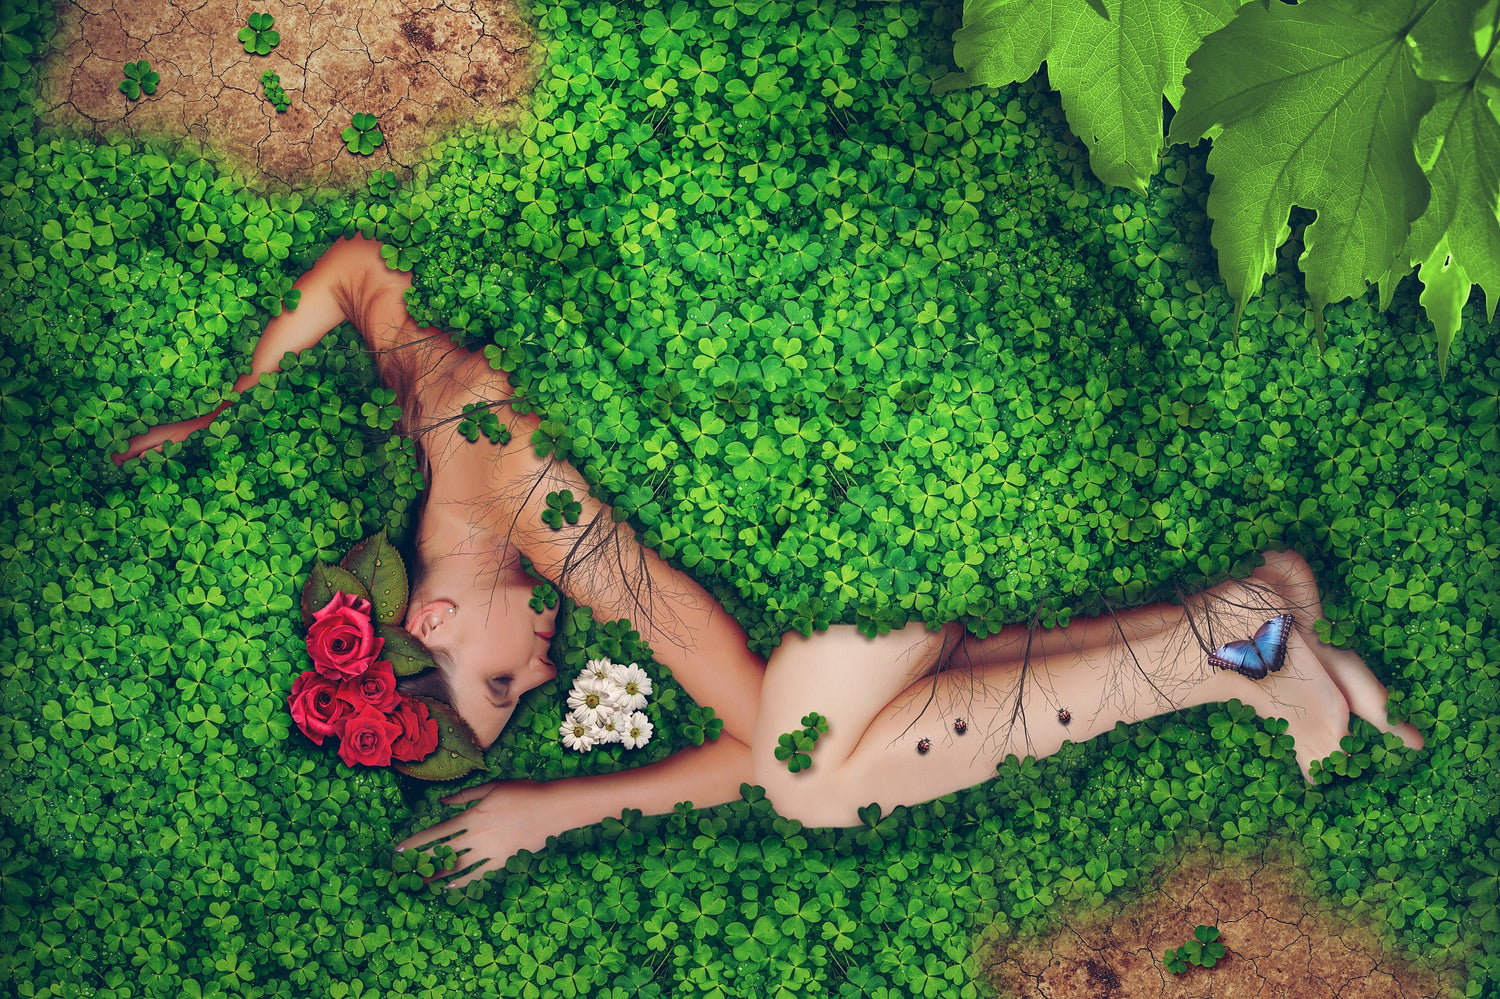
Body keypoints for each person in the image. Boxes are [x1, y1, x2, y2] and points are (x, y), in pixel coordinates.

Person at [114, 235, 1425, 889]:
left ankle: (1231, 652)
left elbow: (768, 746)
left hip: (871, 462)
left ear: (438, 615)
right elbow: (350, 273)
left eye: (502, 688)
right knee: (843, 719)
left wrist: (560, 809)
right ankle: (1232, 625)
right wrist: (230, 397)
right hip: (842, 415)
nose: (542, 676)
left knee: (818, 771)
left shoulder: (558, 536)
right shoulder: (434, 408)